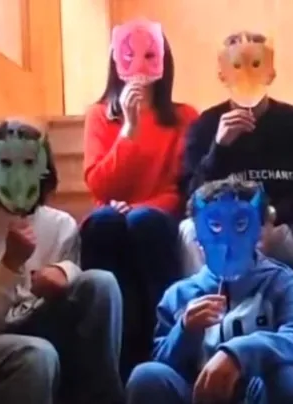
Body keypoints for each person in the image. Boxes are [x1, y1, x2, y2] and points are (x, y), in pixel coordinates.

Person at [0, 120, 124, 404]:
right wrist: (9, 267)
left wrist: (66, 271)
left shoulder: (61, 225)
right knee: (37, 354)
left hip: (41, 322)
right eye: (5, 163)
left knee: (102, 282)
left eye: (29, 163)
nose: (19, 175)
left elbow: (75, 290)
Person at [179, 30, 293, 336]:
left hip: (278, 228)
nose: (246, 75)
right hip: (224, 233)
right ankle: (206, 335)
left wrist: (270, 217)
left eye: (256, 65)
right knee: (188, 229)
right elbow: (192, 196)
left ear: (271, 72)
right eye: (237, 66)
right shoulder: (205, 126)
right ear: (222, 74)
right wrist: (219, 148)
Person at [126, 179, 293, 404]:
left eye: (240, 226)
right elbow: (162, 360)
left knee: (285, 378)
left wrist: (238, 354)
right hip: (195, 394)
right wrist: (184, 331)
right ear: (198, 238)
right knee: (146, 376)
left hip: (256, 393)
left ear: (258, 233)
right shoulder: (178, 295)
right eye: (215, 227)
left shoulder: (282, 283)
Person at [80, 19, 198, 378]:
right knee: (103, 224)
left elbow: (181, 187)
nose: (140, 67)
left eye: (150, 56)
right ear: (116, 61)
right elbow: (100, 184)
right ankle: (110, 359)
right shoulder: (99, 115)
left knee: (143, 222)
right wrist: (128, 130)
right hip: (112, 213)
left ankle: (163, 347)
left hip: (157, 216)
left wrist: (140, 208)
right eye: (130, 56)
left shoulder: (184, 117)